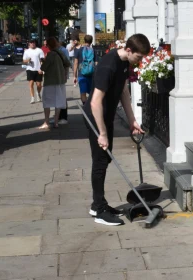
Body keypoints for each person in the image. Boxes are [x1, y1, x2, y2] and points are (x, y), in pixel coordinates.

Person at [83, 33, 150, 226]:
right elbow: (95, 102)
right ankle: (98, 209)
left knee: (104, 160)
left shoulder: (123, 63)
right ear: (129, 50)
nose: (139, 61)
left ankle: (99, 204)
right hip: (96, 117)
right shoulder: (108, 66)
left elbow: (123, 91)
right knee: (100, 162)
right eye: (138, 57)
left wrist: (132, 120)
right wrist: (102, 134)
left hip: (107, 115)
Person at [38, 37, 71, 130]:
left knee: (47, 101)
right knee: (58, 101)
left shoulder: (50, 54)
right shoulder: (60, 53)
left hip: (50, 81)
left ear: (48, 45)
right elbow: (68, 63)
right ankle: (56, 122)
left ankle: (46, 122)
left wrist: (43, 63)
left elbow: (44, 67)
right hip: (60, 81)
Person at [73, 35, 96, 104]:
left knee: (83, 93)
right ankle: (90, 107)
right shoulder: (93, 51)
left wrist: (75, 76)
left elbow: (76, 63)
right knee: (91, 93)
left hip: (81, 74)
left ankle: (85, 108)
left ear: (84, 40)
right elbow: (96, 63)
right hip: (91, 74)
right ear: (91, 42)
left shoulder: (79, 50)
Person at [22, 39, 44, 104]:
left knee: (39, 85)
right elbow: (24, 60)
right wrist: (28, 60)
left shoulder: (39, 50)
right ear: (29, 44)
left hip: (38, 69)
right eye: (31, 43)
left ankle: (38, 93)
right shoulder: (27, 51)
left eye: (33, 43)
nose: (32, 44)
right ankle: (32, 98)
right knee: (31, 83)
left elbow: (42, 60)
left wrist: (41, 69)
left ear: (35, 43)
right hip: (30, 69)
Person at [57, 41, 70, 125]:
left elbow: (67, 63)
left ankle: (63, 117)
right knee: (57, 97)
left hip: (61, 76)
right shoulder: (55, 50)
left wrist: (65, 75)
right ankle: (57, 117)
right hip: (56, 76)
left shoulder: (63, 50)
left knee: (61, 96)